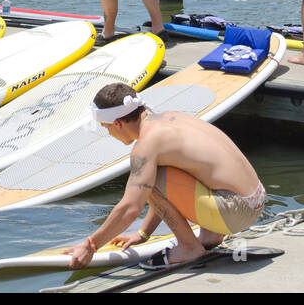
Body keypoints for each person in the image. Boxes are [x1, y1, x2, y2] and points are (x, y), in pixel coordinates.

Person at [65, 82, 265, 270]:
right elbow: (170, 188)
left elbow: (130, 208)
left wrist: (90, 245)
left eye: (106, 127)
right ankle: (210, 235)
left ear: (117, 123)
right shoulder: (171, 118)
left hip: (235, 212)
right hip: (255, 200)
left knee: (148, 177)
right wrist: (143, 234)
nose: (109, 134)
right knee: (156, 174)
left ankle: (189, 248)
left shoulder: (146, 145)